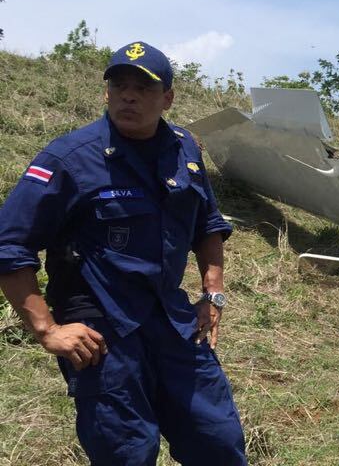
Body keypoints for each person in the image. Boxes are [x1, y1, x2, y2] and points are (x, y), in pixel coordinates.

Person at [0, 42, 247, 465]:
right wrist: (46, 329)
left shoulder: (184, 149)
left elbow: (207, 221)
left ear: (167, 98)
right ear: (106, 92)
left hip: (171, 317)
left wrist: (214, 292)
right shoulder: (69, 158)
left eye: (143, 88)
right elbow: (9, 243)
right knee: (127, 451)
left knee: (217, 439)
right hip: (102, 327)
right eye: (119, 86)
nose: (128, 96)